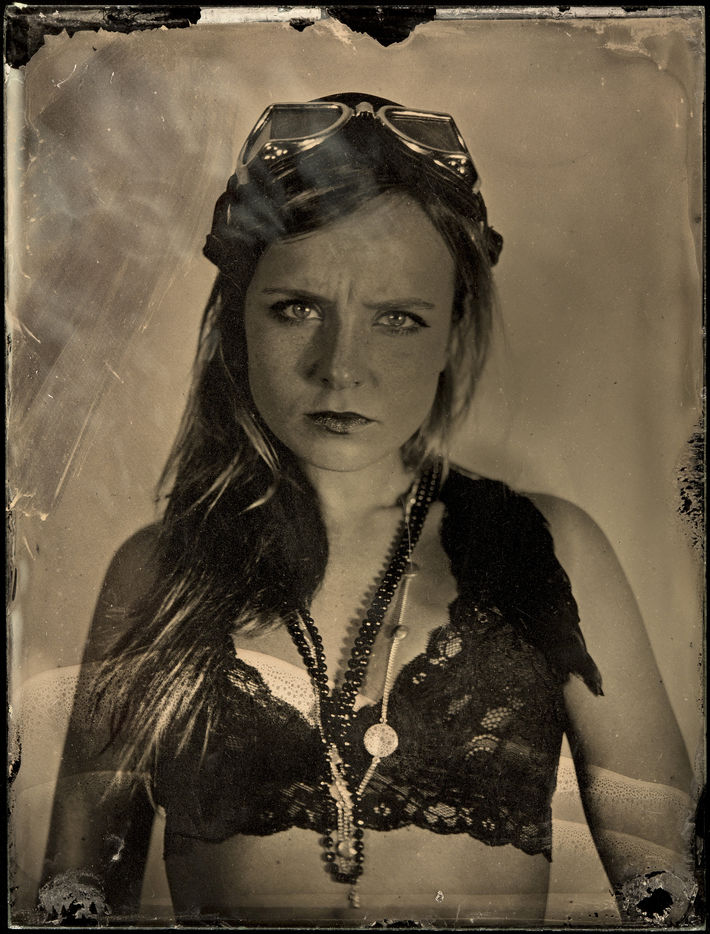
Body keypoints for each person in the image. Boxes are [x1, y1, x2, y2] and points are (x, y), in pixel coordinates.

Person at [40, 92, 695, 925]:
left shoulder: (550, 551)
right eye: (297, 308)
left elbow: (676, 897)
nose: (340, 366)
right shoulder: (159, 571)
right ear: (238, 318)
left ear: (451, 332)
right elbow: (75, 900)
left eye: (397, 319)